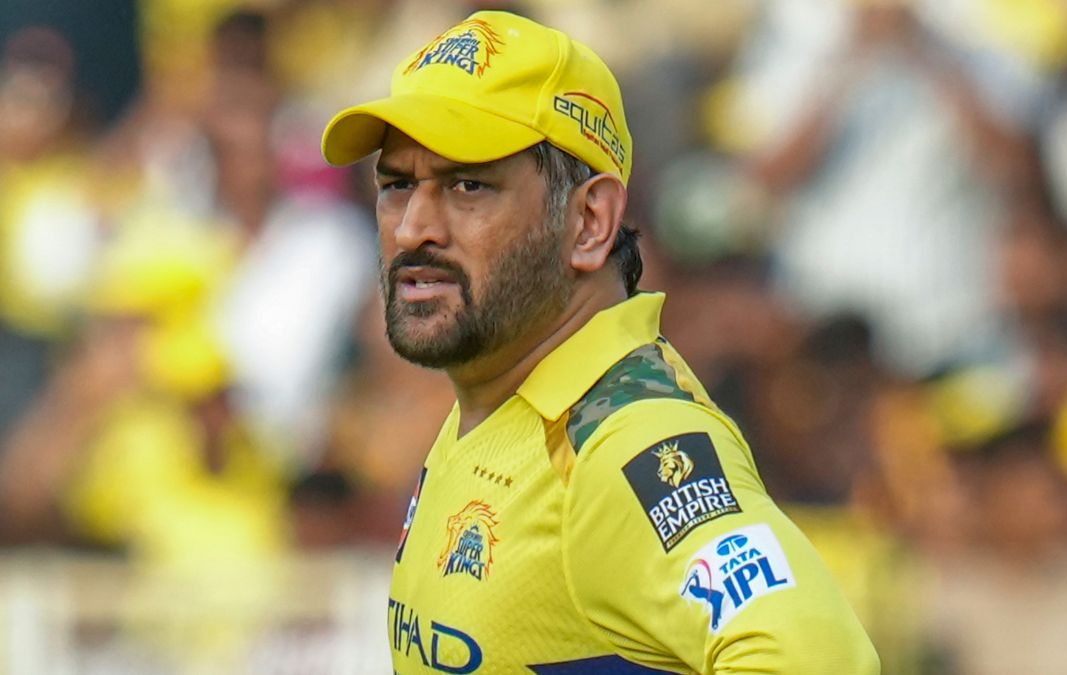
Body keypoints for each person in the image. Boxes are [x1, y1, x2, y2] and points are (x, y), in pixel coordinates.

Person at [320, 10, 879, 673]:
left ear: (589, 220)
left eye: (468, 185)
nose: (414, 228)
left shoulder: (625, 441)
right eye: (397, 185)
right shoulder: (502, 395)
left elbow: (820, 659)